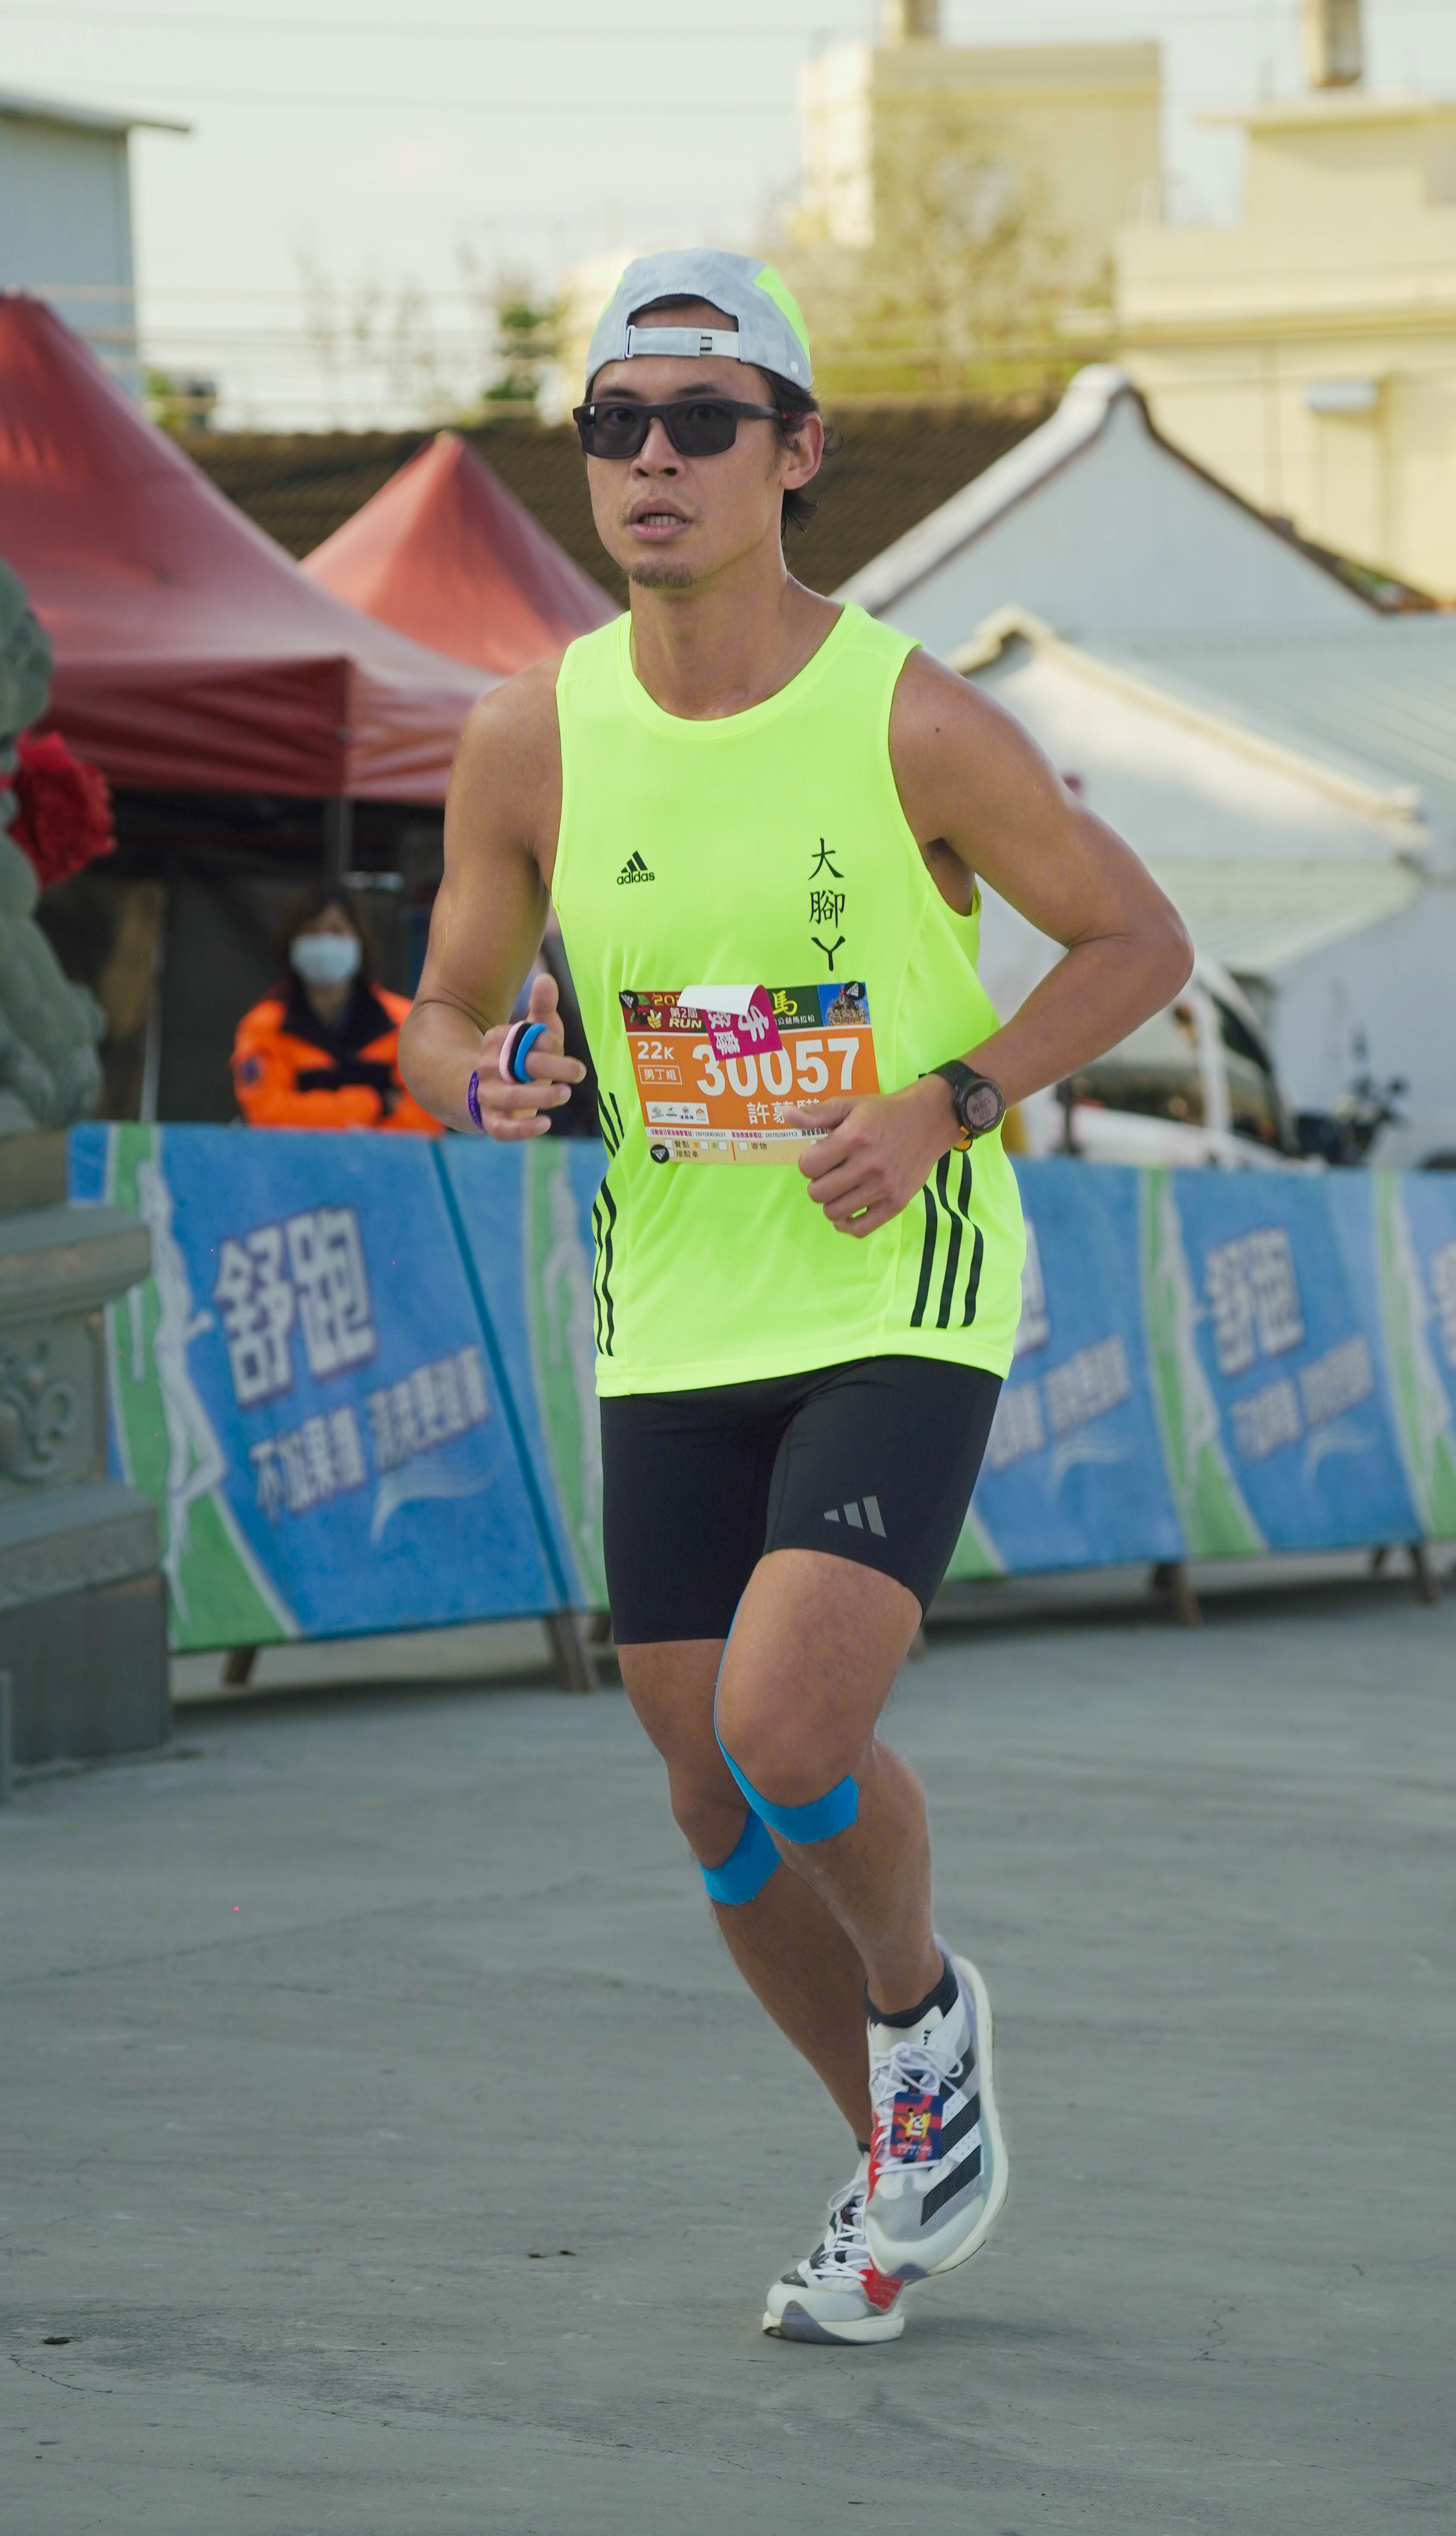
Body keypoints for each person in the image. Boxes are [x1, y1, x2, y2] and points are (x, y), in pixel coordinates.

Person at [399, 251, 1192, 2346]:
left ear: (796, 453)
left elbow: (1136, 941)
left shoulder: (910, 715)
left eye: (703, 420)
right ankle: (896, 2160)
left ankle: (926, 2016)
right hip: (674, 1303)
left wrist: (951, 1101)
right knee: (700, 1782)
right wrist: (478, 1077)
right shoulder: (527, 735)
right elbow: (441, 1009)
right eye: (614, 425)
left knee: (784, 1722)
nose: (651, 460)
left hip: (893, 1282)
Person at [232, 883, 441, 1133]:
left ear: (360, 941)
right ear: (291, 944)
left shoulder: (403, 1021)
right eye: (311, 931)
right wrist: (373, 1103)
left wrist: (360, 1140)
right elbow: (268, 1115)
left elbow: (428, 1117)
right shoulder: (263, 1026)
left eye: (337, 931)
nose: (324, 941)